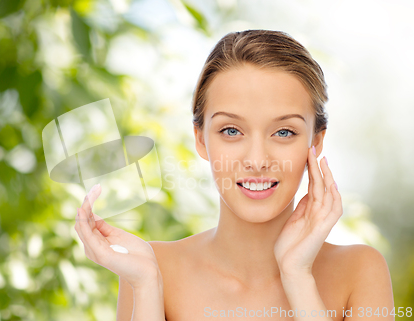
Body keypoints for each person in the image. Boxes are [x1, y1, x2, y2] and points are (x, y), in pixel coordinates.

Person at [74, 30, 394, 321]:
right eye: (231, 130)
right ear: (201, 138)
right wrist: (145, 287)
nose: (257, 161)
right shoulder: (151, 269)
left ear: (316, 140)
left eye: (284, 132)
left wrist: (297, 277)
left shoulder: (360, 272)